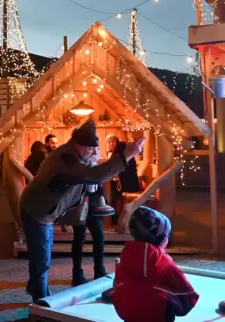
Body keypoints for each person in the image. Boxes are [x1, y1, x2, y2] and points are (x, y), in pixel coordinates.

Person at [19, 119, 145, 302]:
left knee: (41, 254)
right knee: (42, 259)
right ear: (78, 146)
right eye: (90, 148)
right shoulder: (66, 158)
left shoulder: (76, 156)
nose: (94, 152)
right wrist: (126, 156)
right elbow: (95, 176)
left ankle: (35, 288)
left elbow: (92, 175)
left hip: (46, 211)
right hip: (37, 211)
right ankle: (41, 303)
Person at [113, 206, 199, 322]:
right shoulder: (167, 267)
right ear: (161, 238)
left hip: (128, 317)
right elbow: (187, 300)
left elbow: (116, 286)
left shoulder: (124, 260)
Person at [106, 134, 140, 225]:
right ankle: (116, 215)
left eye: (113, 142)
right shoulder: (125, 152)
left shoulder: (118, 153)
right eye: (109, 142)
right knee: (115, 190)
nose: (111, 144)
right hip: (132, 184)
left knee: (114, 192)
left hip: (127, 186)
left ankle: (115, 216)